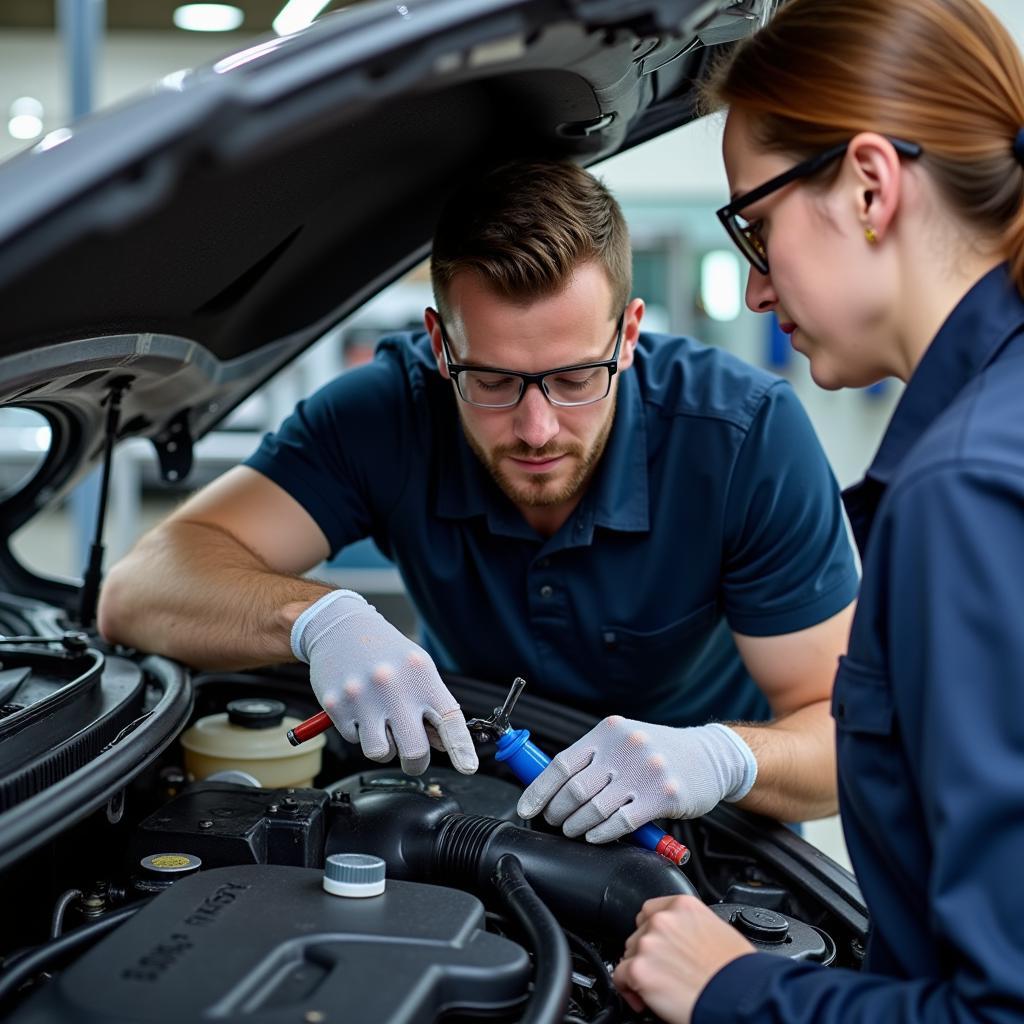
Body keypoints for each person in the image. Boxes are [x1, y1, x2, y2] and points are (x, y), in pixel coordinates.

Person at [98, 159, 857, 832]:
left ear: (628, 335)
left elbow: (842, 734)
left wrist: (719, 758)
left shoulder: (743, 437)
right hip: (458, 808)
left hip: (693, 836)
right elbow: (138, 590)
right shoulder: (386, 414)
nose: (536, 428)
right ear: (441, 344)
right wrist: (318, 619)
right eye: (491, 380)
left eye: (573, 378)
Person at [612, 0, 1024, 1021]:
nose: (756, 290)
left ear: (872, 186)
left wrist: (735, 985)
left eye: (756, 226)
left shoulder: (965, 489)